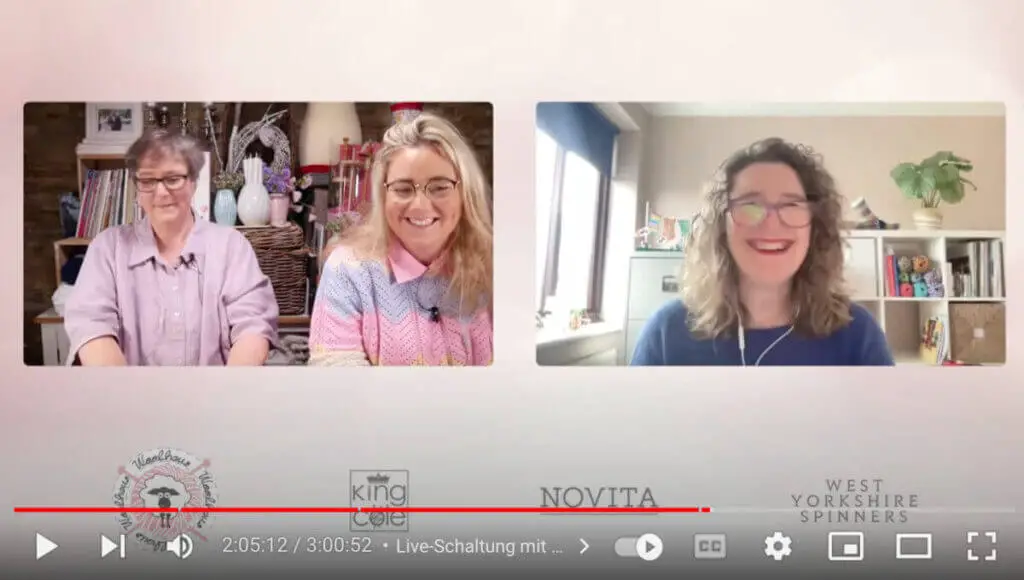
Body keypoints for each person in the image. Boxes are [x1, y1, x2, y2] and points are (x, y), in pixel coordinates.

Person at [631, 137, 894, 366]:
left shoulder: (858, 335)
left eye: (790, 205)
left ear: (815, 227)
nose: (770, 224)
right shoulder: (666, 334)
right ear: (721, 225)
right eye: (750, 206)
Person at [63, 129, 279, 366]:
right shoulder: (108, 248)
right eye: (147, 181)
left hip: (218, 389)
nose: (161, 192)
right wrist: (123, 388)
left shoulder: (231, 246)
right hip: (128, 389)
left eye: (173, 179)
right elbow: (91, 324)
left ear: (193, 182)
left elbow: (253, 326)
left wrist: (228, 387)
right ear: (137, 188)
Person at [308, 113, 493, 366]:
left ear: (465, 194)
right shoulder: (347, 270)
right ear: (383, 197)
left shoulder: (493, 269)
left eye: (440, 187)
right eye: (403, 189)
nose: (420, 205)